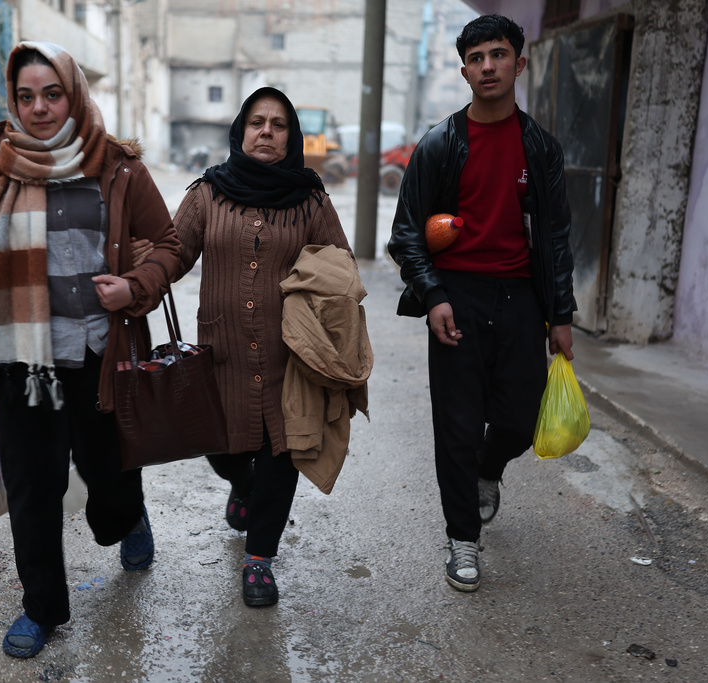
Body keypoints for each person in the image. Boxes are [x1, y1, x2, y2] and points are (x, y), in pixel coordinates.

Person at [0, 41, 180, 657]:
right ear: (13, 101)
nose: (40, 108)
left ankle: (128, 517)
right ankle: (41, 606)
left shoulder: (117, 165)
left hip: (102, 354)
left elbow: (169, 242)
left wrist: (135, 285)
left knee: (110, 470)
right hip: (24, 356)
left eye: (52, 93)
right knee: (32, 484)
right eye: (26, 96)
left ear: (73, 93)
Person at [387, 15, 577, 593]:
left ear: (519, 64)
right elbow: (406, 234)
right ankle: (462, 539)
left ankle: (487, 472)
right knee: (458, 425)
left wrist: (561, 316)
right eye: (477, 57)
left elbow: (555, 238)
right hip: (458, 297)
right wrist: (434, 294)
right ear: (465, 68)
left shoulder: (540, 148)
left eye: (499, 54)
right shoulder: (440, 145)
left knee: (519, 420)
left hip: (521, 298)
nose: (488, 65)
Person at [170, 87, 352, 606]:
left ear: (291, 137)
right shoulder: (207, 193)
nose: (266, 131)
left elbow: (341, 266)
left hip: (289, 360)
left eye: (278, 124)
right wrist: (135, 277)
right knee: (223, 449)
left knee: (282, 454)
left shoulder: (310, 199)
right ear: (241, 131)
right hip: (221, 355)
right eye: (257, 122)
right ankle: (240, 485)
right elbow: (173, 252)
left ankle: (259, 560)